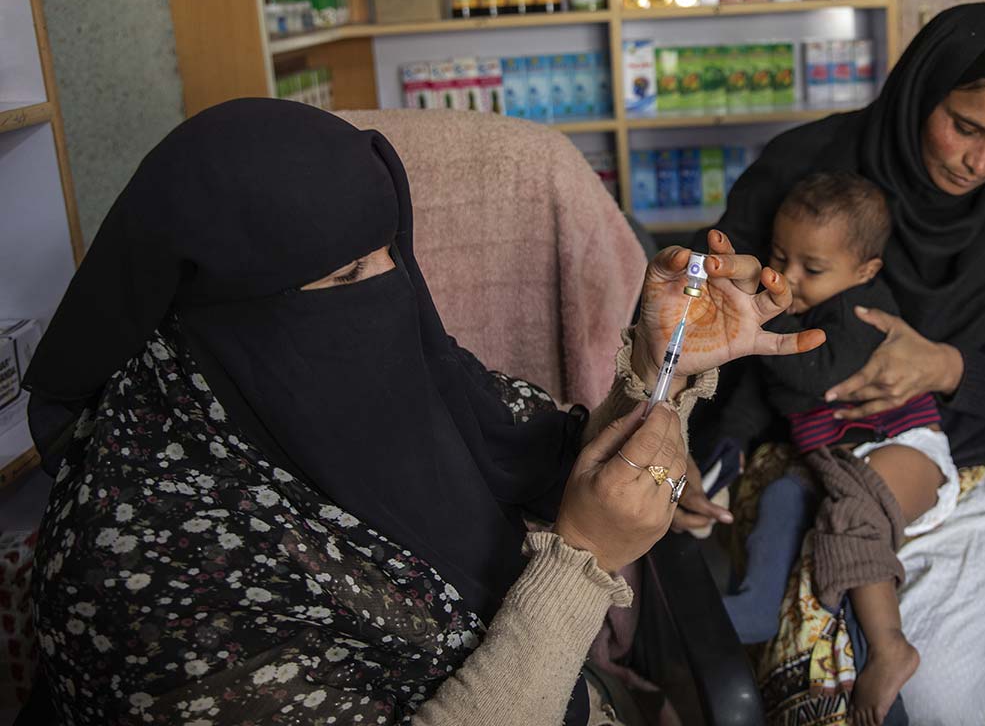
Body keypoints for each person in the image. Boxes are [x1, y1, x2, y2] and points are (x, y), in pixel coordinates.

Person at [20, 99, 820, 726]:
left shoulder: (392, 367)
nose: (386, 294)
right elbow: (573, 532)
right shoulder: (143, 569)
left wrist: (659, 364)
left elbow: (542, 458)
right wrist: (579, 566)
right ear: (217, 308)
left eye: (387, 256)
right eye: (340, 282)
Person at [678, 3, 985, 725]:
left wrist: (944, 366)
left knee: (943, 697)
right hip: (796, 456)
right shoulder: (802, 173)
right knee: (818, 686)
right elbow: (717, 340)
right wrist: (703, 457)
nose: (978, 163)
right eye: (966, 126)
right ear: (923, 90)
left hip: (955, 463)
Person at [716, 171, 958, 725]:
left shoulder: (860, 310)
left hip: (904, 449)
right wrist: (725, 448)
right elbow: (756, 399)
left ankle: (889, 644)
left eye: (812, 269)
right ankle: (756, 606)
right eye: (780, 256)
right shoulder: (792, 316)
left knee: (851, 512)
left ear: (865, 271)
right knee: (780, 496)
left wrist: (766, 326)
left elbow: (809, 378)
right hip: (831, 459)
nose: (788, 277)